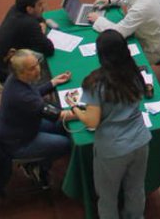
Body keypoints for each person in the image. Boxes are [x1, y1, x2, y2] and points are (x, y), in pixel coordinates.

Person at [63, 31, 152, 219]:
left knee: (107, 197)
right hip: (140, 141)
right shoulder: (135, 71)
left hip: (113, 150)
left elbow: (92, 121)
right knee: (135, 189)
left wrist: (75, 107)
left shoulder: (95, 83)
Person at [0, 50, 73, 186]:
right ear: (22, 72)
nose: (38, 69)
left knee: (62, 127)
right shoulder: (23, 98)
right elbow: (59, 115)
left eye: (37, 64)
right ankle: (37, 167)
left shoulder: (15, 79)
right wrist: (88, 113)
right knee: (65, 143)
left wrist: (52, 83)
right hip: (18, 143)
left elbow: (34, 92)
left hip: (23, 126)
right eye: (32, 68)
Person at [0, 0, 56, 83]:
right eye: (39, 5)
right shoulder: (28, 24)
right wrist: (42, 33)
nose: (43, 7)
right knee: (43, 66)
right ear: (29, 9)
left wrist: (42, 23)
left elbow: (39, 17)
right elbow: (49, 49)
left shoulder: (15, 9)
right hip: (5, 72)